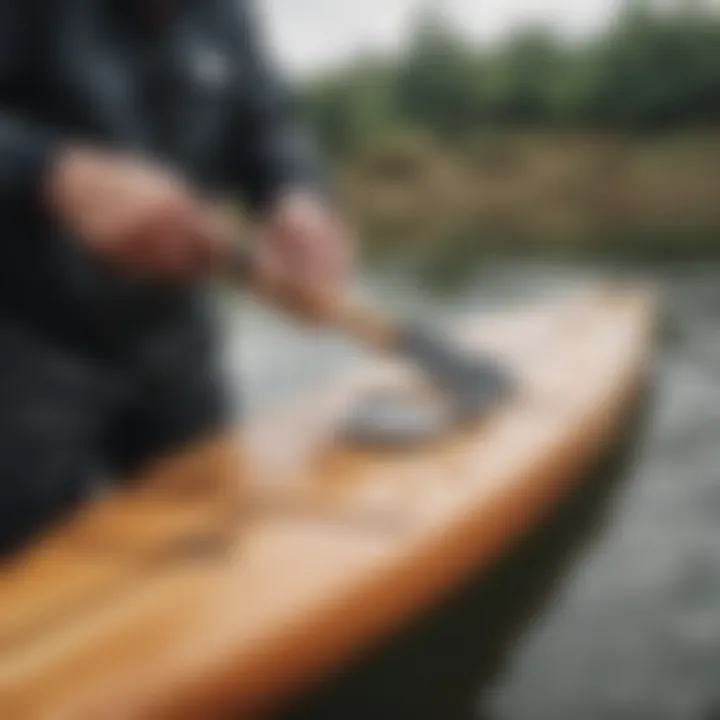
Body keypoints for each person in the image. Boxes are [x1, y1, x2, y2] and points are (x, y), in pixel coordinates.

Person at [0, 0, 351, 552]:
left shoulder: (227, 17)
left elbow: (267, 124)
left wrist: (295, 194)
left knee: (210, 550)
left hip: (175, 342)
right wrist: (52, 170)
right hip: (27, 346)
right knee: (27, 582)